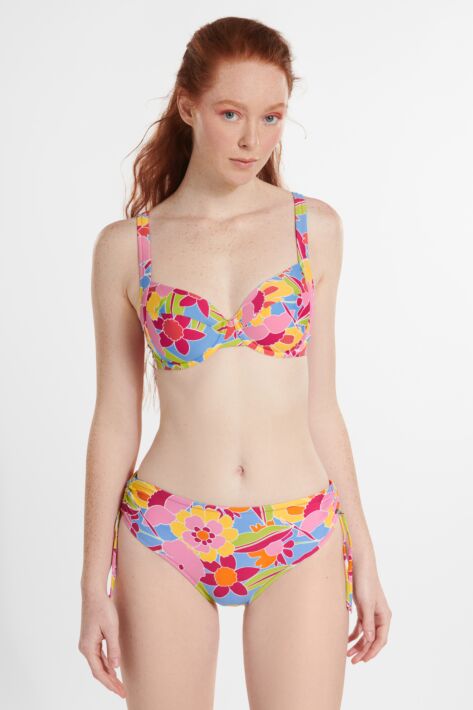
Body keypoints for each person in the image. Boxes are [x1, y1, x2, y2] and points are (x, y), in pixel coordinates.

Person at [78, 16, 391, 709]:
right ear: (188, 106)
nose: (253, 139)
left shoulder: (314, 229)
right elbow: (114, 421)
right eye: (231, 114)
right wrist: (91, 584)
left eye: (271, 117)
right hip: (164, 530)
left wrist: (364, 556)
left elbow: (321, 405)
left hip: (299, 528)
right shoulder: (126, 248)